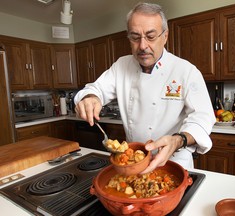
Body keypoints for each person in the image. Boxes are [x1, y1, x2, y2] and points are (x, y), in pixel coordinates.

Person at [74, 2, 216, 173]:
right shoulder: (121, 65)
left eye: (150, 36)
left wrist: (178, 140)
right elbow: (94, 89)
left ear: (165, 36)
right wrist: (90, 98)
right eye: (135, 37)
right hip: (133, 161)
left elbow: (203, 118)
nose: (142, 46)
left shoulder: (186, 71)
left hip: (175, 163)